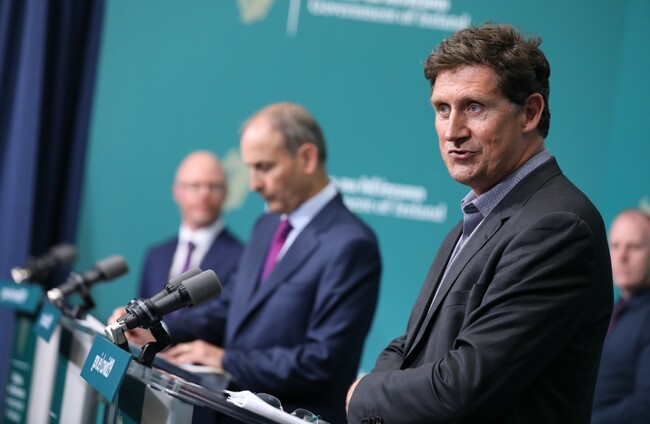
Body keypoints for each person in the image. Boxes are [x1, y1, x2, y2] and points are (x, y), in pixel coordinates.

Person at [346, 23, 613, 423]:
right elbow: (412, 345)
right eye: (442, 109)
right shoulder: (472, 222)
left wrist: (364, 394)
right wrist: (372, 389)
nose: (453, 131)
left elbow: (465, 386)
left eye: (474, 107)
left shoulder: (558, 227)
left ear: (530, 112)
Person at [144, 102, 381, 423]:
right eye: (250, 168)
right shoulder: (266, 226)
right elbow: (229, 306)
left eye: (264, 167)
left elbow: (321, 361)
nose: (254, 183)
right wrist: (159, 329)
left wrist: (226, 360)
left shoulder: (351, 244)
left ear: (307, 158)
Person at [138, 150, 243, 304]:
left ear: (226, 193)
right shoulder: (156, 256)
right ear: (176, 192)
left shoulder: (242, 258)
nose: (204, 194)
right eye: (194, 186)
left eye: (213, 187)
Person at [592, 209, 650, 423]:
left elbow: (645, 406)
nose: (621, 256)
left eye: (634, 247)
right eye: (615, 246)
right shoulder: (614, 311)